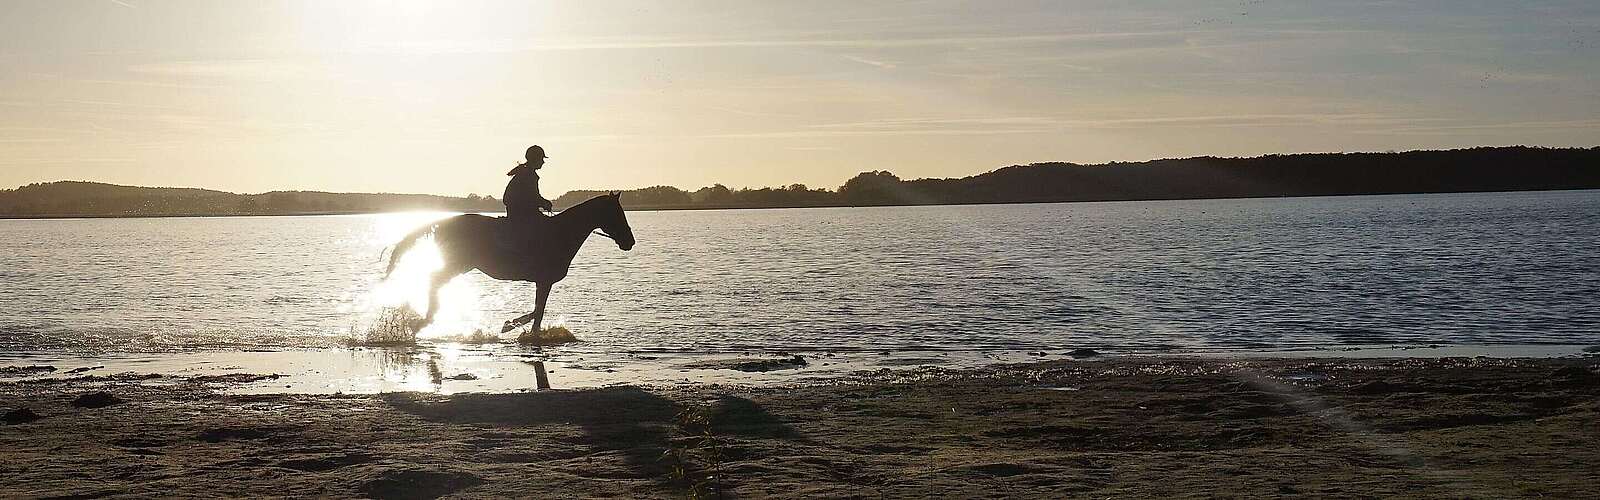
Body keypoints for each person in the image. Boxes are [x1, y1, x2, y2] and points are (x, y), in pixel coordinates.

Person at [502, 145, 554, 249]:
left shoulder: (525, 173)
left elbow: (532, 196)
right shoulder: (528, 175)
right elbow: (532, 197)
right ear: (536, 159)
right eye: (542, 159)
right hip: (523, 216)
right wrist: (544, 203)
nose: (543, 162)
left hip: (522, 213)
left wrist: (542, 202)